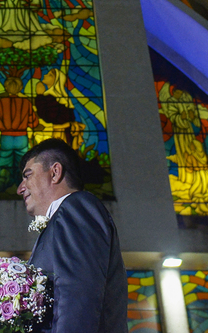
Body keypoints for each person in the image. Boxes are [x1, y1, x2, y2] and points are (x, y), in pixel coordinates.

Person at [19, 139, 126, 333]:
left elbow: (78, 297)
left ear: (55, 172)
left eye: (28, 175)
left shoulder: (77, 208)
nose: (20, 188)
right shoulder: (63, 217)